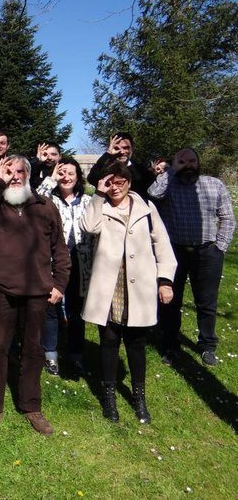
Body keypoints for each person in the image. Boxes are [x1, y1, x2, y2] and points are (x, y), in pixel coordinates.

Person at [0, 155, 70, 437]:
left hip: (36, 290)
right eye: (9, 171)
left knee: (33, 350)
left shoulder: (44, 207)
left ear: (29, 175)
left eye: (20, 171)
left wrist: (60, 284)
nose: (15, 176)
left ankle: (31, 405)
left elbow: (59, 250)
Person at [80, 162, 176, 423]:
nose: (115, 186)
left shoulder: (146, 208)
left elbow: (162, 242)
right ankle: (109, 397)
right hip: (109, 286)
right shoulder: (100, 206)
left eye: (120, 180)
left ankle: (139, 398)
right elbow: (89, 227)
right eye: (110, 181)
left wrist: (165, 279)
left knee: (137, 344)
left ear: (129, 182)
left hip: (140, 285)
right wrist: (98, 195)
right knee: (109, 341)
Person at [148, 148, 235, 367]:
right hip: (174, 251)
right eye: (181, 161)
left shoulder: (214, 184)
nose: (188, 165)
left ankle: (207, 345)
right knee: (171, 300)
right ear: (174, 163)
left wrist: (220, 247)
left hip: (207, 252)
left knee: (206, 301)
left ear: (198, 162)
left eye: (191, 161)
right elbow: (153, 194)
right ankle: (171, 345)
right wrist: (169, 172)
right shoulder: (168, 185)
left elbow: (227, 218)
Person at [36, 157, 94, 378]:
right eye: (62, 172)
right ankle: (50, 354)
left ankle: (76, 354)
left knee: (76, 310)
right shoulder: (50, 200)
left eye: (71, 173)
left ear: (78, 176)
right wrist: (51, 178)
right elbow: (36, 197)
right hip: (53, 261)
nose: (66, 177)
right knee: (51, 306)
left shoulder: (88, 201)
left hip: (81, 261)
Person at [86, 132, 154, 198]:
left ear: (131, 149)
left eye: (125, 148)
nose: (121, 152)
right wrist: (108, 154)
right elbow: (92, 179)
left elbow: (144, 183)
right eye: (117, 148)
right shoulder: (106, 168)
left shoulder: (141, 170)